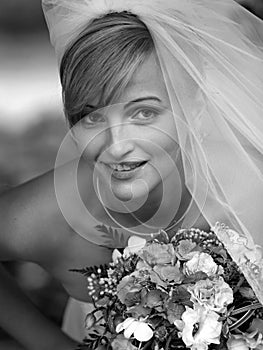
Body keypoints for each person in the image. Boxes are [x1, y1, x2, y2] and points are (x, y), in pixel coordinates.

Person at [1, 0, 263, 348]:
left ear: (195, 105)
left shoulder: (251, 184)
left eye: (143, 113)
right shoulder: (51, 214)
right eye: (90, 117)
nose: (115, 145)